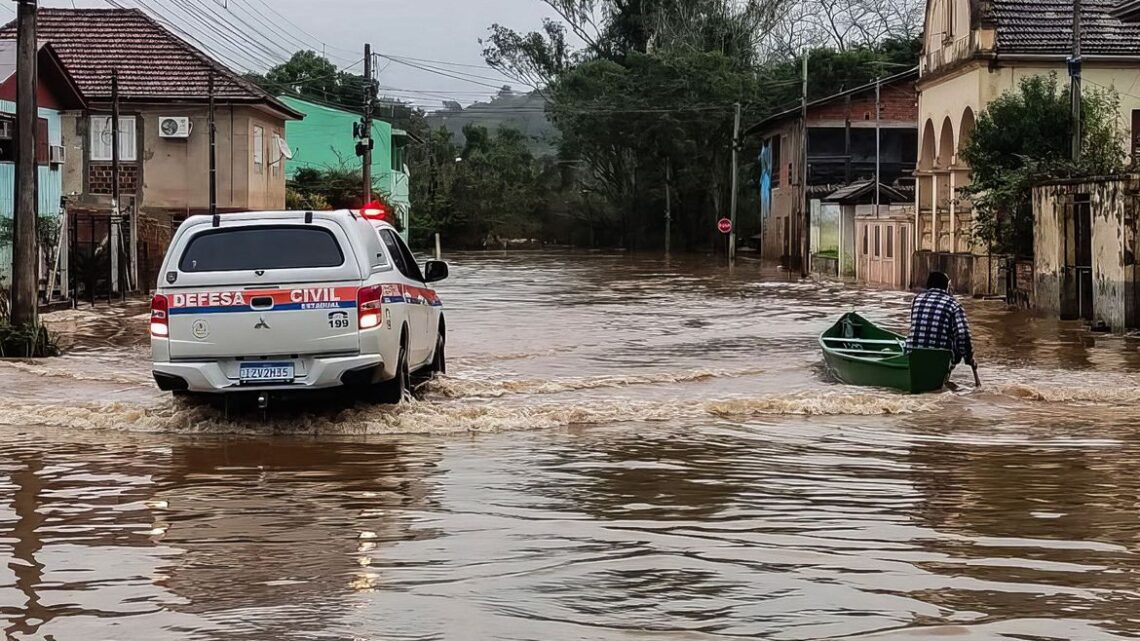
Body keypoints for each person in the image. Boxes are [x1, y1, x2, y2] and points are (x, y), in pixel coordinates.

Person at [906, 271, 975, 367]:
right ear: (947, 286)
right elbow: (963, 336)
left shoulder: (916, 300)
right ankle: (947, 370)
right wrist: (968, 358)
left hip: (912, 353)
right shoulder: (953, 304)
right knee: (956, 342)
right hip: (940, 357)